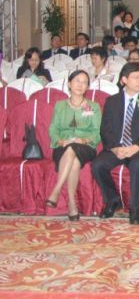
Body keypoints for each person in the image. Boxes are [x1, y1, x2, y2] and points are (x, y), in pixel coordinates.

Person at [91, 63, 139, 225]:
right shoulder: (112, 101)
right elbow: (105, 129)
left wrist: (135, 147)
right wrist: (115, 148)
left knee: (138, 164)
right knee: (98, 165)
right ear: (124, 80)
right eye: (136, 77)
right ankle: (112, 199)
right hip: (117, 146)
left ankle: (134, 207)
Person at [45, 70, 101, 221]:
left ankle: (56, 191)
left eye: (84, 82)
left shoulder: (93, 106)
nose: (80, 85)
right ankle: (71, 203)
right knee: (74, 160)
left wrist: (84, 140)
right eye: (77, 81)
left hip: (86, 146)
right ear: (69, 84)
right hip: (62, 145)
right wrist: (60, 141)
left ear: (88, 86)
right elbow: (53, 129)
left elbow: (97, 132)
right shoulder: (60, 106)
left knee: (73, 148)